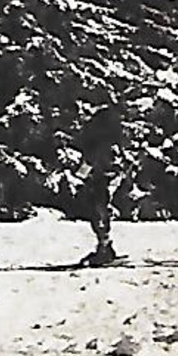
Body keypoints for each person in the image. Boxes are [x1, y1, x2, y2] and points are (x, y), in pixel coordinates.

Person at [76, 104, 122, 267]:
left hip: (100, 175)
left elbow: (94, 155)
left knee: (98, 210)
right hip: (103, 173)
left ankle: (104, 247)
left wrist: (82, 173)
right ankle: (105, 245)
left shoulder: (98, 129)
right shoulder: (106, 127)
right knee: (98, 209)